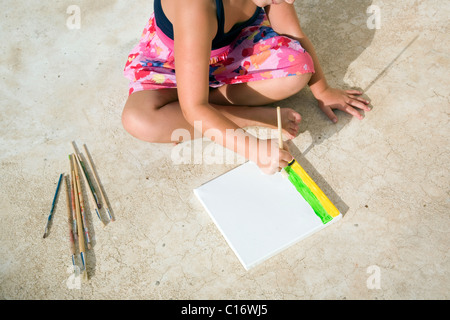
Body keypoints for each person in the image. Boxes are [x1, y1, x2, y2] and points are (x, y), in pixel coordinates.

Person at [122, 0, 371, 174]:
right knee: (138, 120)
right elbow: (194, 108)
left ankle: (204, 108)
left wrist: (322, 90)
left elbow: (291, 32)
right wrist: (255, 150)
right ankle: (250, 116)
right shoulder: (194, 7)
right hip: (172, 65)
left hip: (232, 53)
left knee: (298, 73)